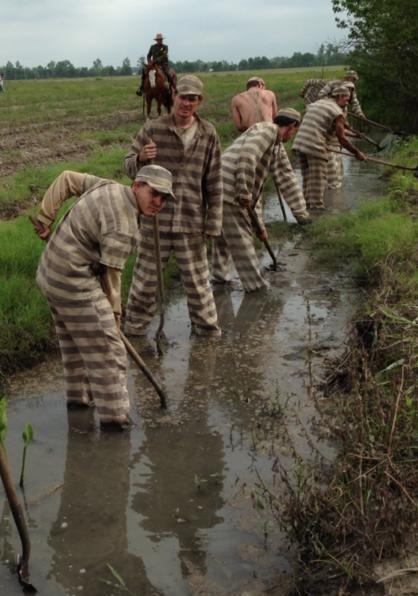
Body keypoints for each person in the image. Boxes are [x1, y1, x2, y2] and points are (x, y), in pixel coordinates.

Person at [33, 165, 175, 430]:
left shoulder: (107, 185)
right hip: (73, 281)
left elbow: (66, 179)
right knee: (109, 353)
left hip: (50, 274)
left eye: (164, 198)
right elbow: (112, 279)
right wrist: (113, 320)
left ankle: (79, 405)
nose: (158, 202)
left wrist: (45, 217)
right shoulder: (123, 225)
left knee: (75, 345)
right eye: (153, 193)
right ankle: (115, 422)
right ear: (136, 186)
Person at [123, 74, 223, 337]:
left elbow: (214, 180)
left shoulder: (208, 133)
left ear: (199, 101)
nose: (186, 103)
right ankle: (133, 330)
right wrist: (141, 158)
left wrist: (213, 222)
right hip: (156, 219)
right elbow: (127, 166)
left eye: (192, 99)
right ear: (173, 97)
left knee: (198, 281)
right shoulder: (154, 129)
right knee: (145, 280)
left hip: (191, 220)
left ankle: (207, 331)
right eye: (182, 97)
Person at [211, 108, 311, 292]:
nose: (293, 134)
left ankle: (219, 278)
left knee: (224, 236)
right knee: (242, 239)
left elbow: (286, 178)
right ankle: (256, 287)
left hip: (221, 187)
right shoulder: (267, 131)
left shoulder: (276, 145)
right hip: (230, 188)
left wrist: (261, 228)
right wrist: (243, 191)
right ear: (291, 126)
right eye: (295, 130)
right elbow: (248, 155)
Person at [292, 86, 366, 210]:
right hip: (315, 146)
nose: (347, 103)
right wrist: (357, 152)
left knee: (308, 179)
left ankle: (306, 206)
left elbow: (329, 127)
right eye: (346, 100)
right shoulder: (337, 111)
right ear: (340, 96)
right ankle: (316, 210)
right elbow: (341, 138)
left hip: (300, 143)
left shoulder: (317, 103)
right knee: (318, 180)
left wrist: (354, 134)